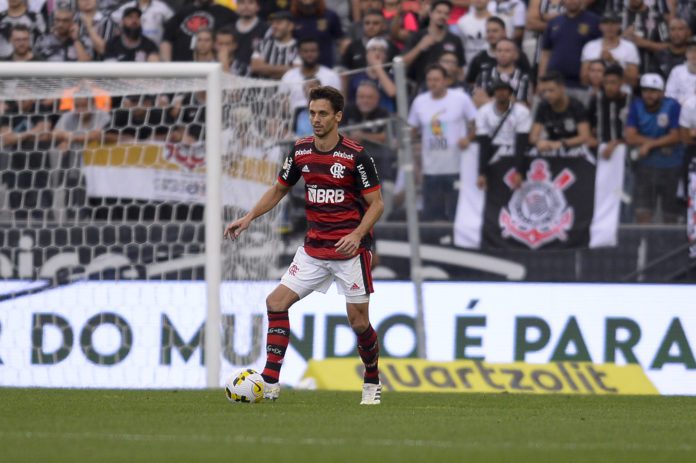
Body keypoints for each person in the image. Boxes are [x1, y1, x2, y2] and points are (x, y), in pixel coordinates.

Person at [223, 86, 385, 405]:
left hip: (349, 253)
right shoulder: (300, 151)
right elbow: (279, 188)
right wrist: (249, 217)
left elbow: (377, 204)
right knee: (276, 303)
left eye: (323, 113)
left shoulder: (356, 155)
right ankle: (269, 383)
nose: (316, 119)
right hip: (313, 249)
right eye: (312, 113)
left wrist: (356, 235)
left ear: (338, 117)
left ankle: (371, 378)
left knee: (359, 322)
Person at [408, 64, 477, 221]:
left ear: (446, 80)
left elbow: (476, 123)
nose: (433, 83)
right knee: (431, 213)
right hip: (431, 168)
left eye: (437, 79)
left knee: (456, 212)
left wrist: (468, 138)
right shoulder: (420, 101)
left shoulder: (461, 98)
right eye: (430, 80)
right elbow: (412, 129)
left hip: (456, 166)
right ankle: (432, 244)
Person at [625, 73, 683, 223]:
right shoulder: (636, 105)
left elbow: (676, 136)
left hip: (671, 166)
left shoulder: (672, 105)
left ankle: (669, 245)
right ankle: (643, 246)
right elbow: (630, 136)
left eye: (653, 91)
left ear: (662, 92)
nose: (648, 95)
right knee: (643, 212)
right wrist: (661, 142)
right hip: (645, 167)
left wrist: (649, 144)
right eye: (645, 90)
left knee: (670, 214)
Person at [475, 79, 531, 191]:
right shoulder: (483, 112)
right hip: (493, 152)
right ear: (493, 92)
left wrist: (519, 171)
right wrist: (481, 172)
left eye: (504, 90)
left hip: (514, 151)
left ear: (510, 92)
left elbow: (521, 142)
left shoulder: (521, 111)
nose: (501, 93)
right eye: (497, 90)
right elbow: (483, 143)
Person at [538, 0, 600, 101]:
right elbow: (545, 54)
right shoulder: (554, 22)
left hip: (581, 86)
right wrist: (541, 81)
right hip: (553, 84)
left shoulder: (594, 21)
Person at [529, 72, 591, 159]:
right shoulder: (543, 105)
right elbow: (533, 136)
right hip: (550, 147)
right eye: (544, 91)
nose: (547, 95)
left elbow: (585, 137)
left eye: (551, 90)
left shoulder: (576, 106)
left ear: (562, 88)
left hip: (574, 148)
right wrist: (539, 142)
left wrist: (561, 143)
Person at [403, 0, 464, 86]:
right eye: (439, 12)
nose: (442, 16)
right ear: (431, 13)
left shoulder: (455, 40)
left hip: (448, 89)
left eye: (446, 14)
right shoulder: (417, 36)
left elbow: (460, 70)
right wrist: (420, 47)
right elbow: (402, 64)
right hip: (421, 88)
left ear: (449, 16)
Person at [464, 16, 530, 89]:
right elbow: (470, 83)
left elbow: (529, 79)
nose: (491, 34)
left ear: (504, 32)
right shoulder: (479, 58)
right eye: (488, 31)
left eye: (495, 31)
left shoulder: (519, 56)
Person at [160, 0, 237, 62]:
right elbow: (166, 39)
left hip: (213, 67)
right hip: (181, 68)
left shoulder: (227, 14)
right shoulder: (182, 12)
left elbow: (235, 41)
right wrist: (167, 65)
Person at [281, 37, 341, 113]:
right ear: (299, 53)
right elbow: (282, 105)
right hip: (294, 120)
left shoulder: (331, 76)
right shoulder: (288, 77)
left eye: (313, 51)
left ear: (318, 52)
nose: (309, 54)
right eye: (305, 51)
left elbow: (338, 104)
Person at [580, 12, 640, 88]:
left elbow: (633, 80)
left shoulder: (629, 47)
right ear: (600, 26)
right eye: (606, 23)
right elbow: (584, 79)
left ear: (619, 26)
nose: (609, 27)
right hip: (595, 92)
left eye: (613, 23)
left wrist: (613, 61)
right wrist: (598, 64)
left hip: (622, 93)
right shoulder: (590, 46)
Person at [588, 64, 631, 160]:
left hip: (626, 150)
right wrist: (590, 138)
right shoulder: (596, 100)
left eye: (613, 83)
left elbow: (635, 131)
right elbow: (588, 124)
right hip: (599, 150)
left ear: (622, 82)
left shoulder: (631, 102)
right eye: (606, 83)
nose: (609, 87)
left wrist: (617, 143)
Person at [473, 38, 531, 107]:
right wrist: (509, 101)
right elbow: (476, 101)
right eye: (499, 50)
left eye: (507, 51)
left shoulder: (523, 77)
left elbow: (523, 105)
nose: (502, 54)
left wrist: (488, 100)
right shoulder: (484, 74)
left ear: (516, 55)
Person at [346, 37, 396, 112]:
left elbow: (392, 93)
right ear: (366, 55)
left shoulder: (391, 76)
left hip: (386, 117)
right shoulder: (356, 77)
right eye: (373, 49)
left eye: (381, 50)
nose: (377, 53)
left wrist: (378, 68)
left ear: (385, 56)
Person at [291, 0, 346, 69]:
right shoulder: (292, 18)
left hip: (326, 66)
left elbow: (340, 39)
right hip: (300, 67)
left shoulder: (330, 16)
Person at [250, 10, 299, 79]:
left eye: (278, 23)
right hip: (264, 89)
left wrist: (266, 68)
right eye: (272, 23)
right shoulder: (262, 44)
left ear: (290, 26)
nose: (274, 26)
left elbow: (298, 71)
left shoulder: (299, 47)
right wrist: (289, 69)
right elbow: (256, 67)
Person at [230, 0, 267, 75]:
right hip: (231, 77)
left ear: (258, 7)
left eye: (251, 2)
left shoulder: (267, 29)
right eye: (242, 2)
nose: (246, 6)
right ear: (236, 6)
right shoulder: (228, 29)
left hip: (258, 78)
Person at [456, 0, 492, 66]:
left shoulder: (497, 19)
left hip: (491, 65)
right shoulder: (462, 21)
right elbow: (460, 46)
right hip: (468, 65)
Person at [665, 39, 696, 106]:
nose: (694, 54)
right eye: (691, 50)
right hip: (680, 110)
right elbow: (669, 94)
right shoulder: (677, 71)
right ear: (686, 53)